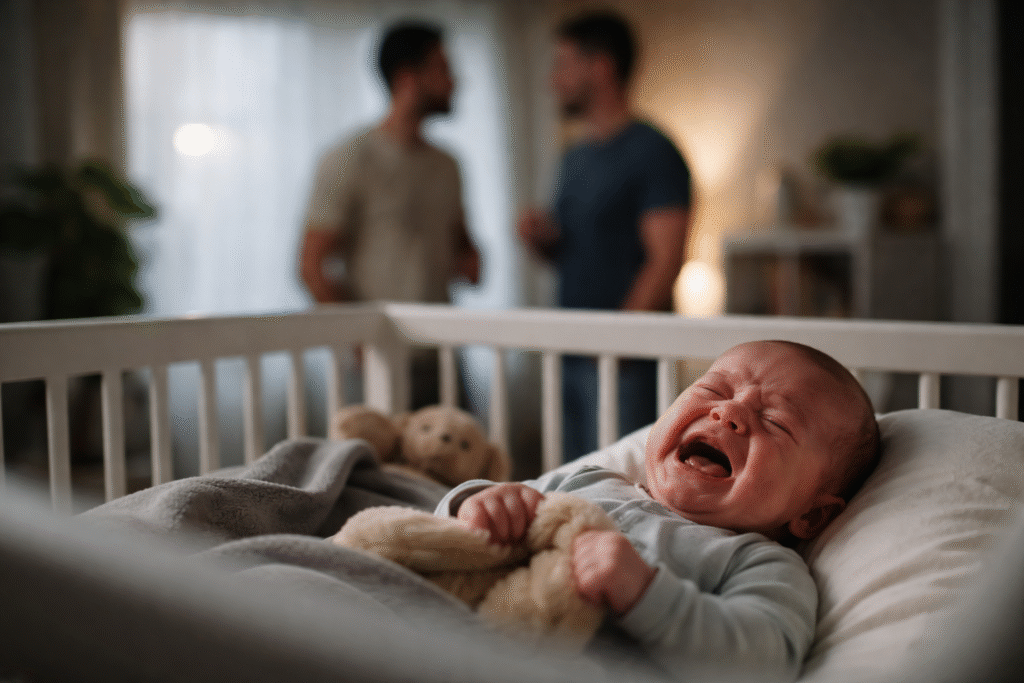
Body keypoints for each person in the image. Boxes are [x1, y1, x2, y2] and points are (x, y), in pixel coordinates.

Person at [437, 340, 881, 680]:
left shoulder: (757, 562)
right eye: (713, 389)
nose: (729, 411)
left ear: (813, 516)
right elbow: (443, 527)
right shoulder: (589, 481)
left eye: (778, 422)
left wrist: (646, 594)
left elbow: (763, 662)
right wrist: (476, 503)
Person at [518, 11, 692, 462]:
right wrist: (542, 240)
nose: (553, 79)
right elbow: (573, 254)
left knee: (624, 484)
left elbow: (665, 260)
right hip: (571, 351)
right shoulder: (574, 157)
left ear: (601, 67)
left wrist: (617, 345)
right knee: (571, 482)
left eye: (563, 64)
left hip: (624, 362)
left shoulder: (653, 152)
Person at [300, 21, 480, 408]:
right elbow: (312, 264)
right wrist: (359, 338)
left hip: (444, 354)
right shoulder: (349, 159)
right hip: (382, 358)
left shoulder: (448, 165)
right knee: (379, 467)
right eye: (443, 68)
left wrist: (471, 258)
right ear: (407, 77)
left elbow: (466, 254)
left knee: (465, 466)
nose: (456, 81)